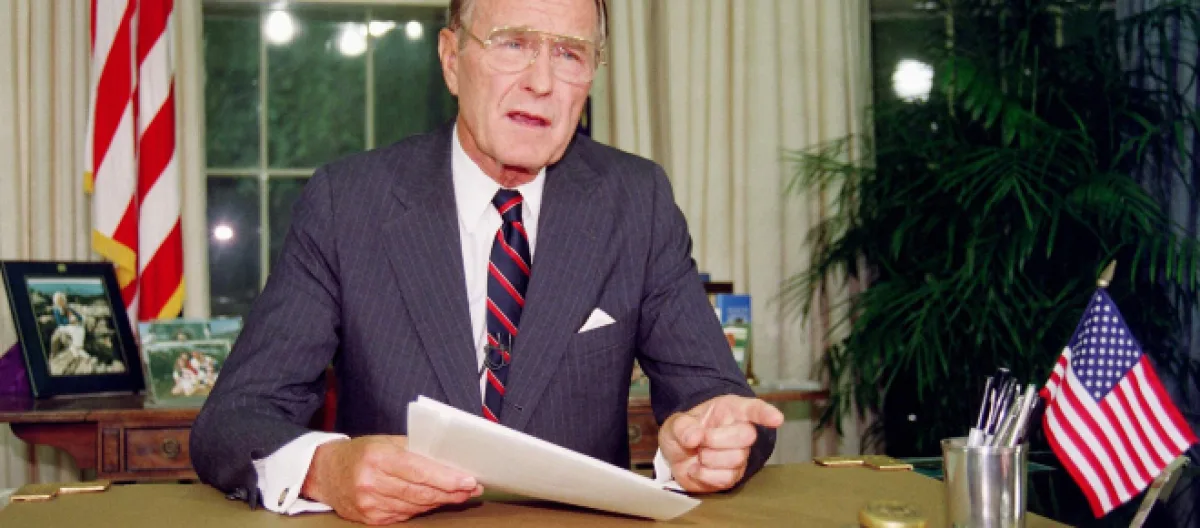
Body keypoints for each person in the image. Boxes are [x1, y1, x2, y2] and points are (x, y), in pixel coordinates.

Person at [190, 0, 784, 524]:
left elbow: (717, 398)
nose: (542, 81)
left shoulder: (636, 203)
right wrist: (328, 468)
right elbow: (235, 419)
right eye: (514, 44)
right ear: (452, 60)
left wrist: (714, 443)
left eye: (570, 54)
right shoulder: (348, 204)